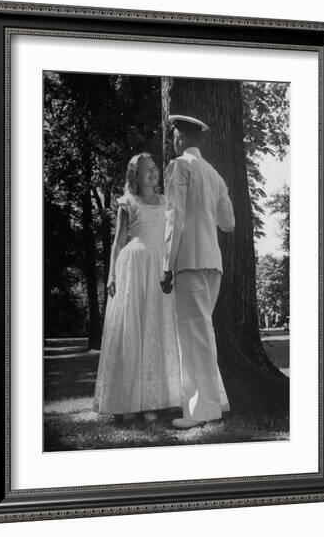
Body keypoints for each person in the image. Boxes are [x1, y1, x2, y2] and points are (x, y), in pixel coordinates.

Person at [93, 152, 182, 422]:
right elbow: (118, 243)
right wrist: (111, 276)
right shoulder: (127, 203)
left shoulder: (167, 202)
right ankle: (133, 401)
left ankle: (161, 399)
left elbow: (172, 237)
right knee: (136, 329)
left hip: (160, 268)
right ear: (135, 175)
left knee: (158, 328)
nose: (152, 172)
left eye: (154, 167)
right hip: (134, 267)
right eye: (146, 169)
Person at [161, 115, 235, 429]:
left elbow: (173, 218)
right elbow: (228, 223)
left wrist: (166, 265)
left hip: (189, 262)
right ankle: (214, 402)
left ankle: (200, 411)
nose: (173, 139)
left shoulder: (180, 166)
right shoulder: (214, 174)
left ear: (181, 137)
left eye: (175, 134)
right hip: (213, 263)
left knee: (193, 337)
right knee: (202, 333)